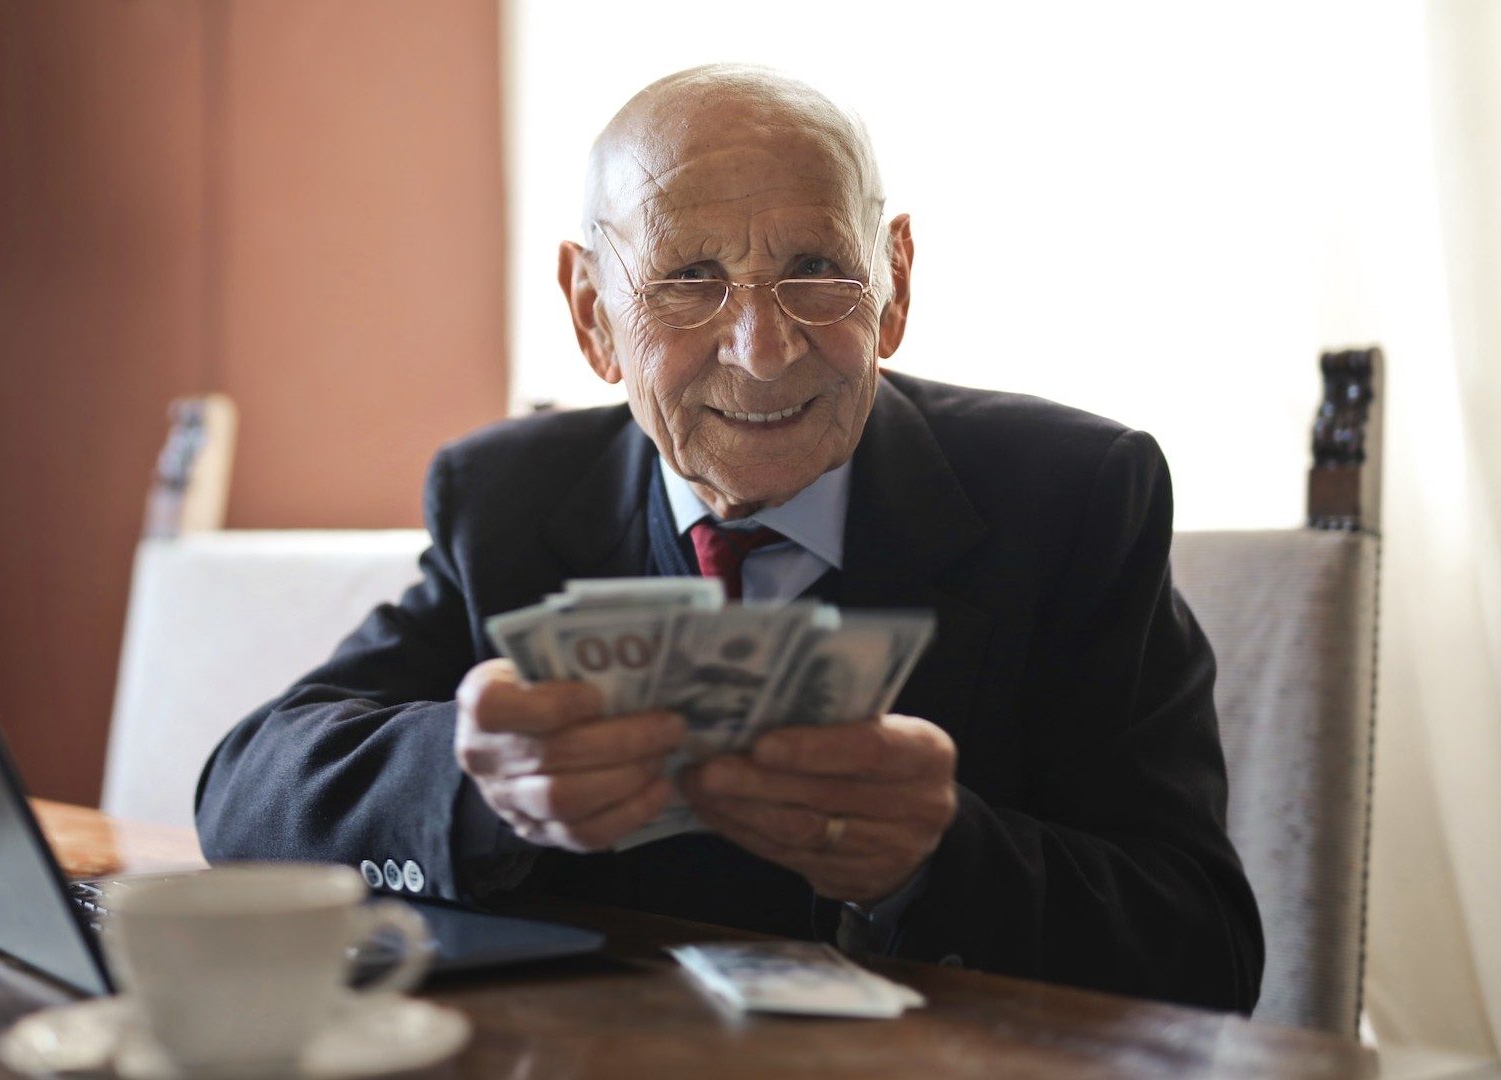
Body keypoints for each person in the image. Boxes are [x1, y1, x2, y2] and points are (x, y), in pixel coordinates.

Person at [196, 64, 1264, 1013]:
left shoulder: (1073, 496)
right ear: (590, 314)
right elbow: (246, 796)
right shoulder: (511, 499)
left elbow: (1207, 951)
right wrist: (479, 786)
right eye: (689, 280)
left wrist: (939, 859)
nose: (761, 351)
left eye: (815, 268)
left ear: (893, 285)